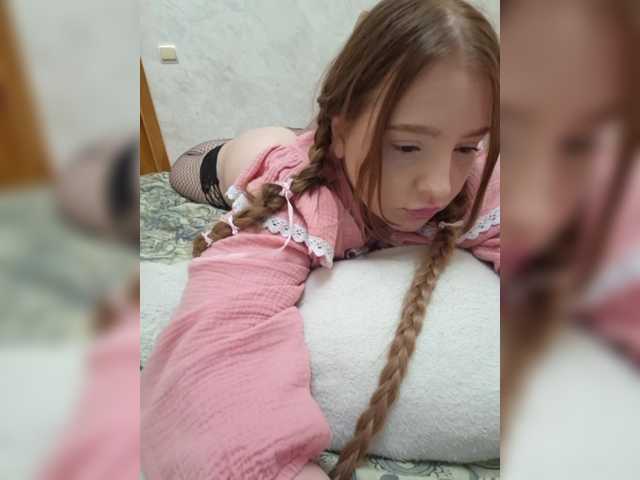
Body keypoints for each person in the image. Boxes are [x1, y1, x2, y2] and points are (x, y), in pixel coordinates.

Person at [142, 1, 500, 479]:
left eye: (466, 146)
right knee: (206, 164)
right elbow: (214, 352)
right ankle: (267, 145)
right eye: (406, 146)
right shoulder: (297, 202)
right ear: (343, 131)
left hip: (327, 140)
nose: (439, 186)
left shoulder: (478, 181)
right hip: (229, 159)